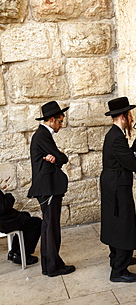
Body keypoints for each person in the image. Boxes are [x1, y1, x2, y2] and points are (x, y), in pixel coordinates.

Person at [28, 101, 75, 277]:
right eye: (60, 121)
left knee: (49, 226)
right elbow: (61, 157)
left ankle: (50, 266)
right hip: (48, 188)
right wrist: (58, 157)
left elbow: (57, 157)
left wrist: (56, 157)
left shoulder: (42, 135)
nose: (61, 125)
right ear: (51, 119)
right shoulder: (42, 136)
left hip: (49, 187)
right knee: (51, 227)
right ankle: (53, 266)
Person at [100, 97, 136, 283]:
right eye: (129, 115)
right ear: (122, 117)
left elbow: (124, 155)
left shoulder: (114, 134)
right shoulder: (116, 137)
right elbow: (130, 162)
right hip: (117, 186)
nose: (132, 118)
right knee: (123, 224)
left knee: (116, 222)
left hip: (114, 184)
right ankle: (119, 269)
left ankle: (118, 257)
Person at [0, 186, 41, 266]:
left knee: (26, 218)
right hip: (5, 222)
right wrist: (9, 197)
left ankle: (14, 251)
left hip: (6, 220)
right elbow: (3, 207)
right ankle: (22, 254)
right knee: (37, 223)